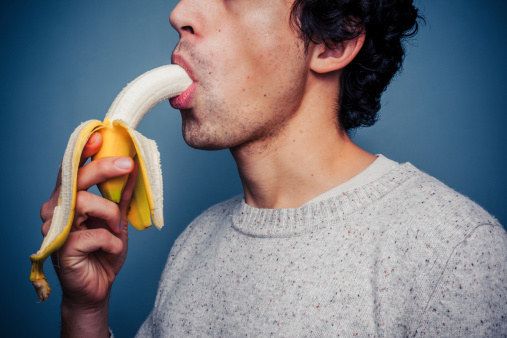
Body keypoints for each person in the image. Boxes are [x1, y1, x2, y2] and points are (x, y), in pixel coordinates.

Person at [38, 0, 507, 337]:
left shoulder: (454, 253)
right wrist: (85, 313)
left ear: (332, 41)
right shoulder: (195, 242)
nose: (178, 13)